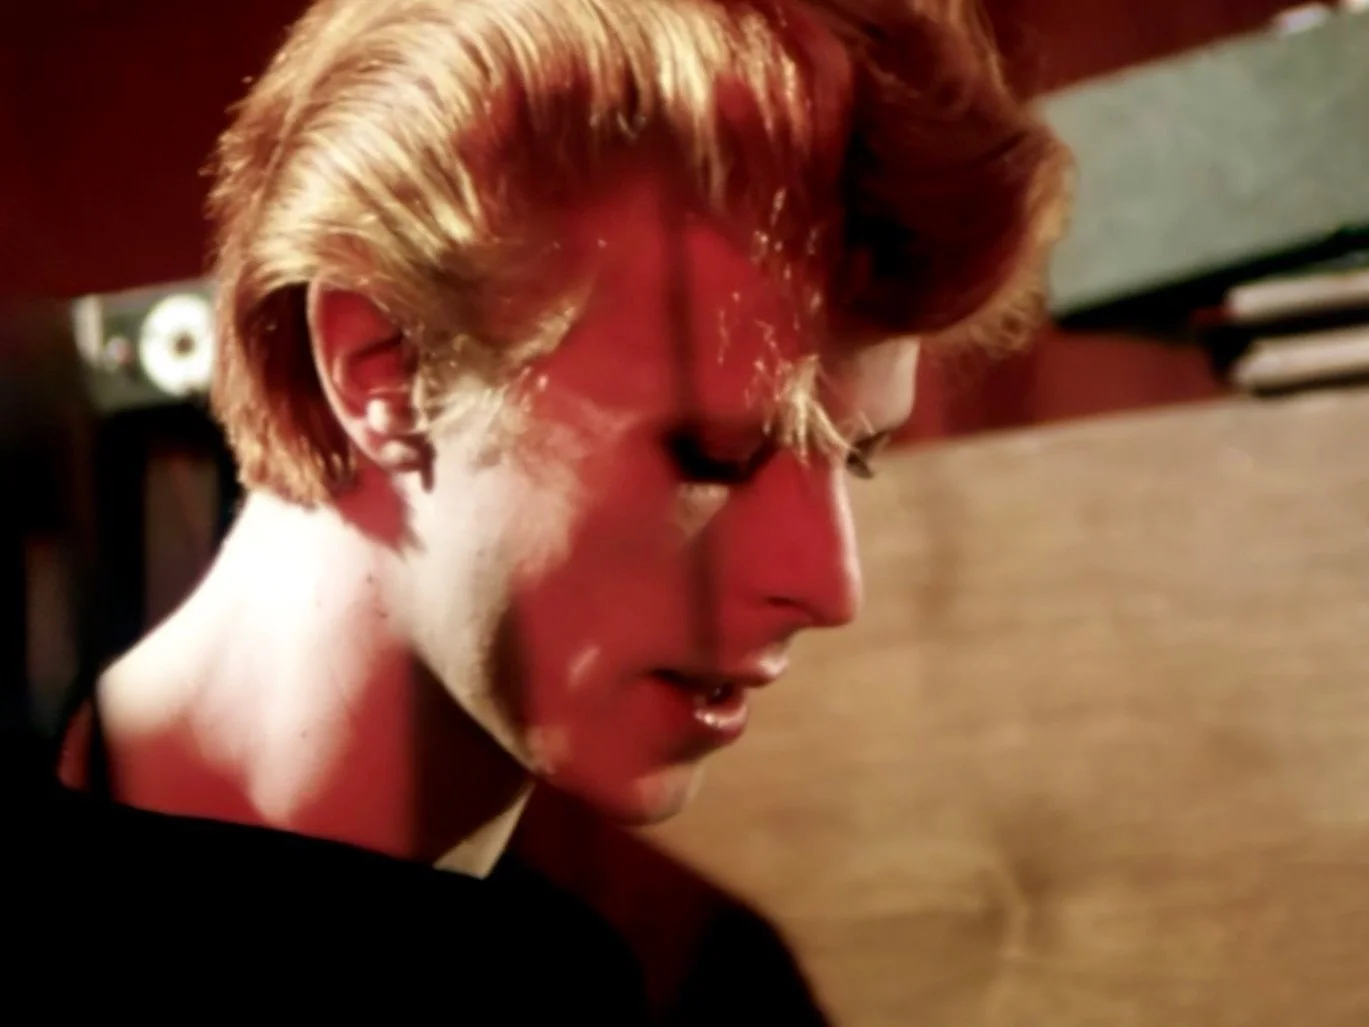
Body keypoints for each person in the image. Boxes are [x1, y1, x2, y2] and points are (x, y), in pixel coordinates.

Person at [7, 0, 1069, 1014]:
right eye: (713, 455)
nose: (829, 586)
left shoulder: (693, 983)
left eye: (856, 460)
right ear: (382, 366)